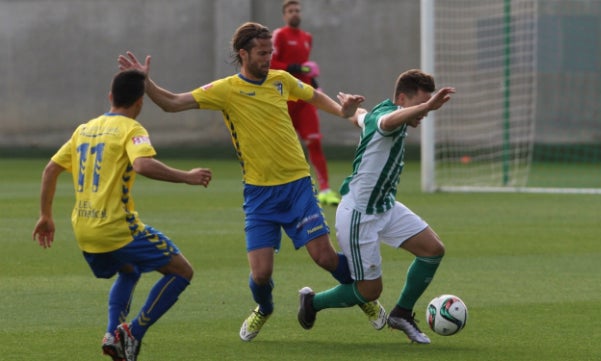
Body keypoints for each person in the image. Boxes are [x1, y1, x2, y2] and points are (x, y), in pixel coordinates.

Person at [116, 21, 386, 342]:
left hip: (297, 185)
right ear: (243, 53)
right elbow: (172, 103)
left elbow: (316, 97)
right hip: (259, 195)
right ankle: (263, 308)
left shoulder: (281, 80)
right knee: (261, 274)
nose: (268, 58)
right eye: (261, 52)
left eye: (270, 51)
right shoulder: (226, 90)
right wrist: (146, 82)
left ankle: (362, 296)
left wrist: (344, 111)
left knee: (325, 257)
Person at [32, 69, 212, 361]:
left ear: (110, 97)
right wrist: (187, 176)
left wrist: (45, 216)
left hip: (84, 230)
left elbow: (50, 169)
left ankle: (111, 333)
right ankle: (131, 332)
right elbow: (143, 165)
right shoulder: (132, 129)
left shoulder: (84, 129)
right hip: (118, 229)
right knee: (182, 272)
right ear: (140, 103)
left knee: (129, 269)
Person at [297, 69, 455, 344]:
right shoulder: (388, 118)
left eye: (426, 106)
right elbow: (386, 121)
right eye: (419, 105)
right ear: (402, 99)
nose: (424, 112)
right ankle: (312, 302)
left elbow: (361, 117)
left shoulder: (378, 112)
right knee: (370, 291)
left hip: (385, 207)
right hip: (361, 215)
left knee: (433, 251)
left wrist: (350, 111)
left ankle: (402, 313)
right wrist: (427, 106)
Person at [271, 0, 340, 206]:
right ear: (284, 15)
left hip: (305, 99)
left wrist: (315, 83)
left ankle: (325, 190)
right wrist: (298, 68)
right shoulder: (279, 35)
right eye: (291, 11)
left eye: (297, 10)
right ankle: (279, 189)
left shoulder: (307, 38)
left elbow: (305, 70)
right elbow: (273, 64)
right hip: (286, 98)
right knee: (283, 145)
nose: (295, 14)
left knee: (314, 142)